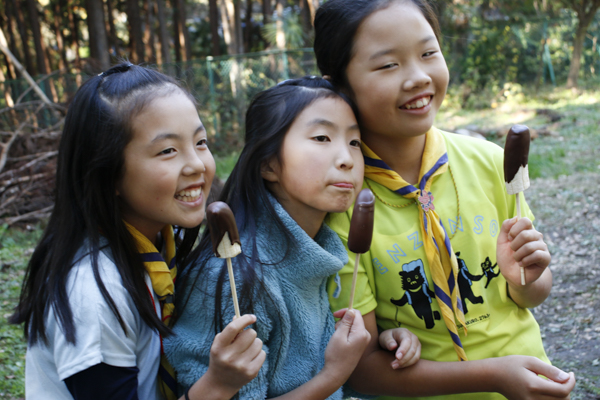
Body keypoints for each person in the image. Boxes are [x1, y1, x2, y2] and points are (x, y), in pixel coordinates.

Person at [313, 1, 577, 399]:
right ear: (338, 85)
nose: (418, 77)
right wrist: (494, 376)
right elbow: (361, 370)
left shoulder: (490, 162)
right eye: (388, 65)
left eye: (428, 52)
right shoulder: (342, 204)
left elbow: (531, 294)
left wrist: (528, 276)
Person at [10, 63, 264, 400]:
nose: (197, 165)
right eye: (167, 150)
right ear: (108, 173)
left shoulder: (158, 244)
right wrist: (217, 385)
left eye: (200, 142)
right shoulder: (95, 295)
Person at [165, 76, 421, 400]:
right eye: (322, 137)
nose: (346, 158)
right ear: (268, 164)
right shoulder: (235, 279)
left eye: (354, 142)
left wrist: (384, 338)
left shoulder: (314, 250)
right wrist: (336, 373)